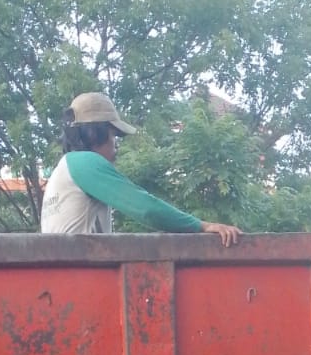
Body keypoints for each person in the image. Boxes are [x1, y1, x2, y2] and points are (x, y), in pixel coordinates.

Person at [40, 91, 241, 245]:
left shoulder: (64, 168)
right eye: (113, 135)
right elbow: (147, 209)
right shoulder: (85, 162)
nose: (115, 144)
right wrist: (203, 226)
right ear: (96, 133)